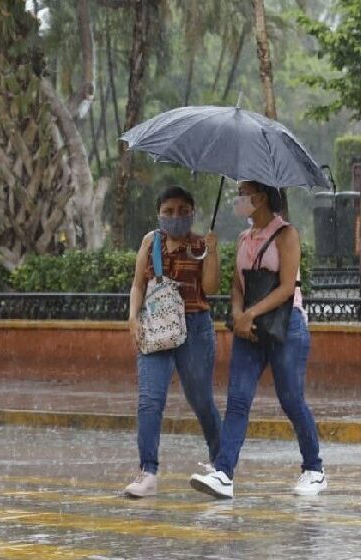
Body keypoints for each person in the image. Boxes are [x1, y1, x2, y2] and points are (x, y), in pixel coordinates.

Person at [189, 180, 326, 499]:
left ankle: (314, 468)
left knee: (291, 399)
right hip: (248, 330)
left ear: (261, 197)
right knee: (237, 399)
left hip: (285, 326)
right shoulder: (242, 238)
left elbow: (287, 287)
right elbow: (237, 285)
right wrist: (239, 314)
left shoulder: (286, 234)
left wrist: (250, 314)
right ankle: (224, 472)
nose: (238, 200)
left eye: (242, 194)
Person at [123, 186, 222, 497]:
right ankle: (148, 471)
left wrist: (213, 251)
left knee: (201, 399)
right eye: (168, 211)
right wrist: (133, 317)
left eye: (183, 210)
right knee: (150, 400)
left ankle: (222, 465)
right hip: (156, 328)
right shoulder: (150, 242)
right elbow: (138, 284)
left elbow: (211, 288)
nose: (175, 216)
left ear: (192, 212)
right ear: (158, 214)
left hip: (195, 329)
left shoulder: (200, 245)